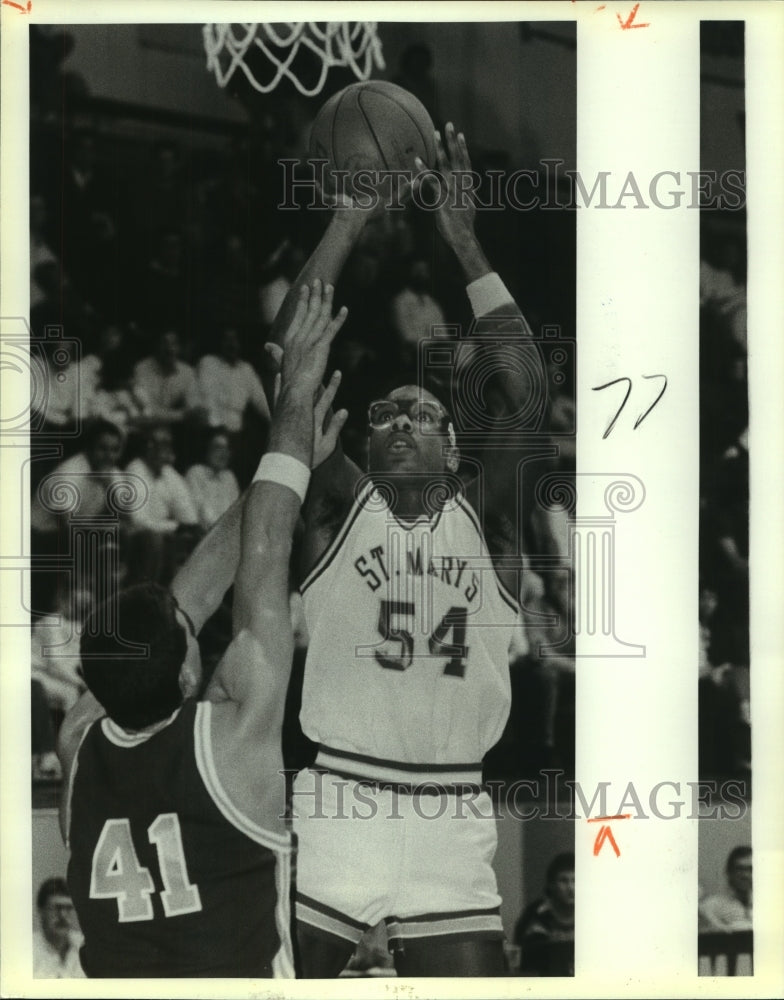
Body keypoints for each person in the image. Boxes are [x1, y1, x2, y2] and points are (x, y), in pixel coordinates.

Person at [270, 124, 545, 977]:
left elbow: (527, 393)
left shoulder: (488, 526)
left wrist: (463, 240)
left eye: (423, 411)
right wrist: (348, 220)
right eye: (385, 409)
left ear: (455, 449)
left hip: (451, 813)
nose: (398, 417)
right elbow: (292, 358)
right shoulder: (340, 508)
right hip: (340, 797)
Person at [56, 282, 348, 977]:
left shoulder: (79, 743)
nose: (192, 622)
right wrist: (293, 412)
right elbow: (266, 553)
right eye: (186, 636)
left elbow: (198, 593)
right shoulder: (232, 738)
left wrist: (287, 467)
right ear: (187, 672)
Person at [514, 852, 575, 976]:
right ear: (551, 885)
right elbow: (527, 959)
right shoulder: (536, 915)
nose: (571, 888)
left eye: (575, 880)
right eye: (563, 881)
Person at [184, 428, 241, 531]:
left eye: (227, 449)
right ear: (207, 449)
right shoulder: (196, 472)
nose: (223, 453)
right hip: (205, 535)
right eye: (218, 448)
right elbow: (201, 513)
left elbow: (236, 512)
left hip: (227, 533)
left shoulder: (229, 477)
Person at [33, 877, 85, 978]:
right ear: (41, 910)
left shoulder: (86, 948)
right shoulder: (27, 951)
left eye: (69, 908)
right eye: (56, 908)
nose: (63, 915)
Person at [699, 846, 752, 931]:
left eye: (750, 869)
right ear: (729, 872)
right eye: (740, 869)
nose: (745, 875)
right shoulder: (711, 907)